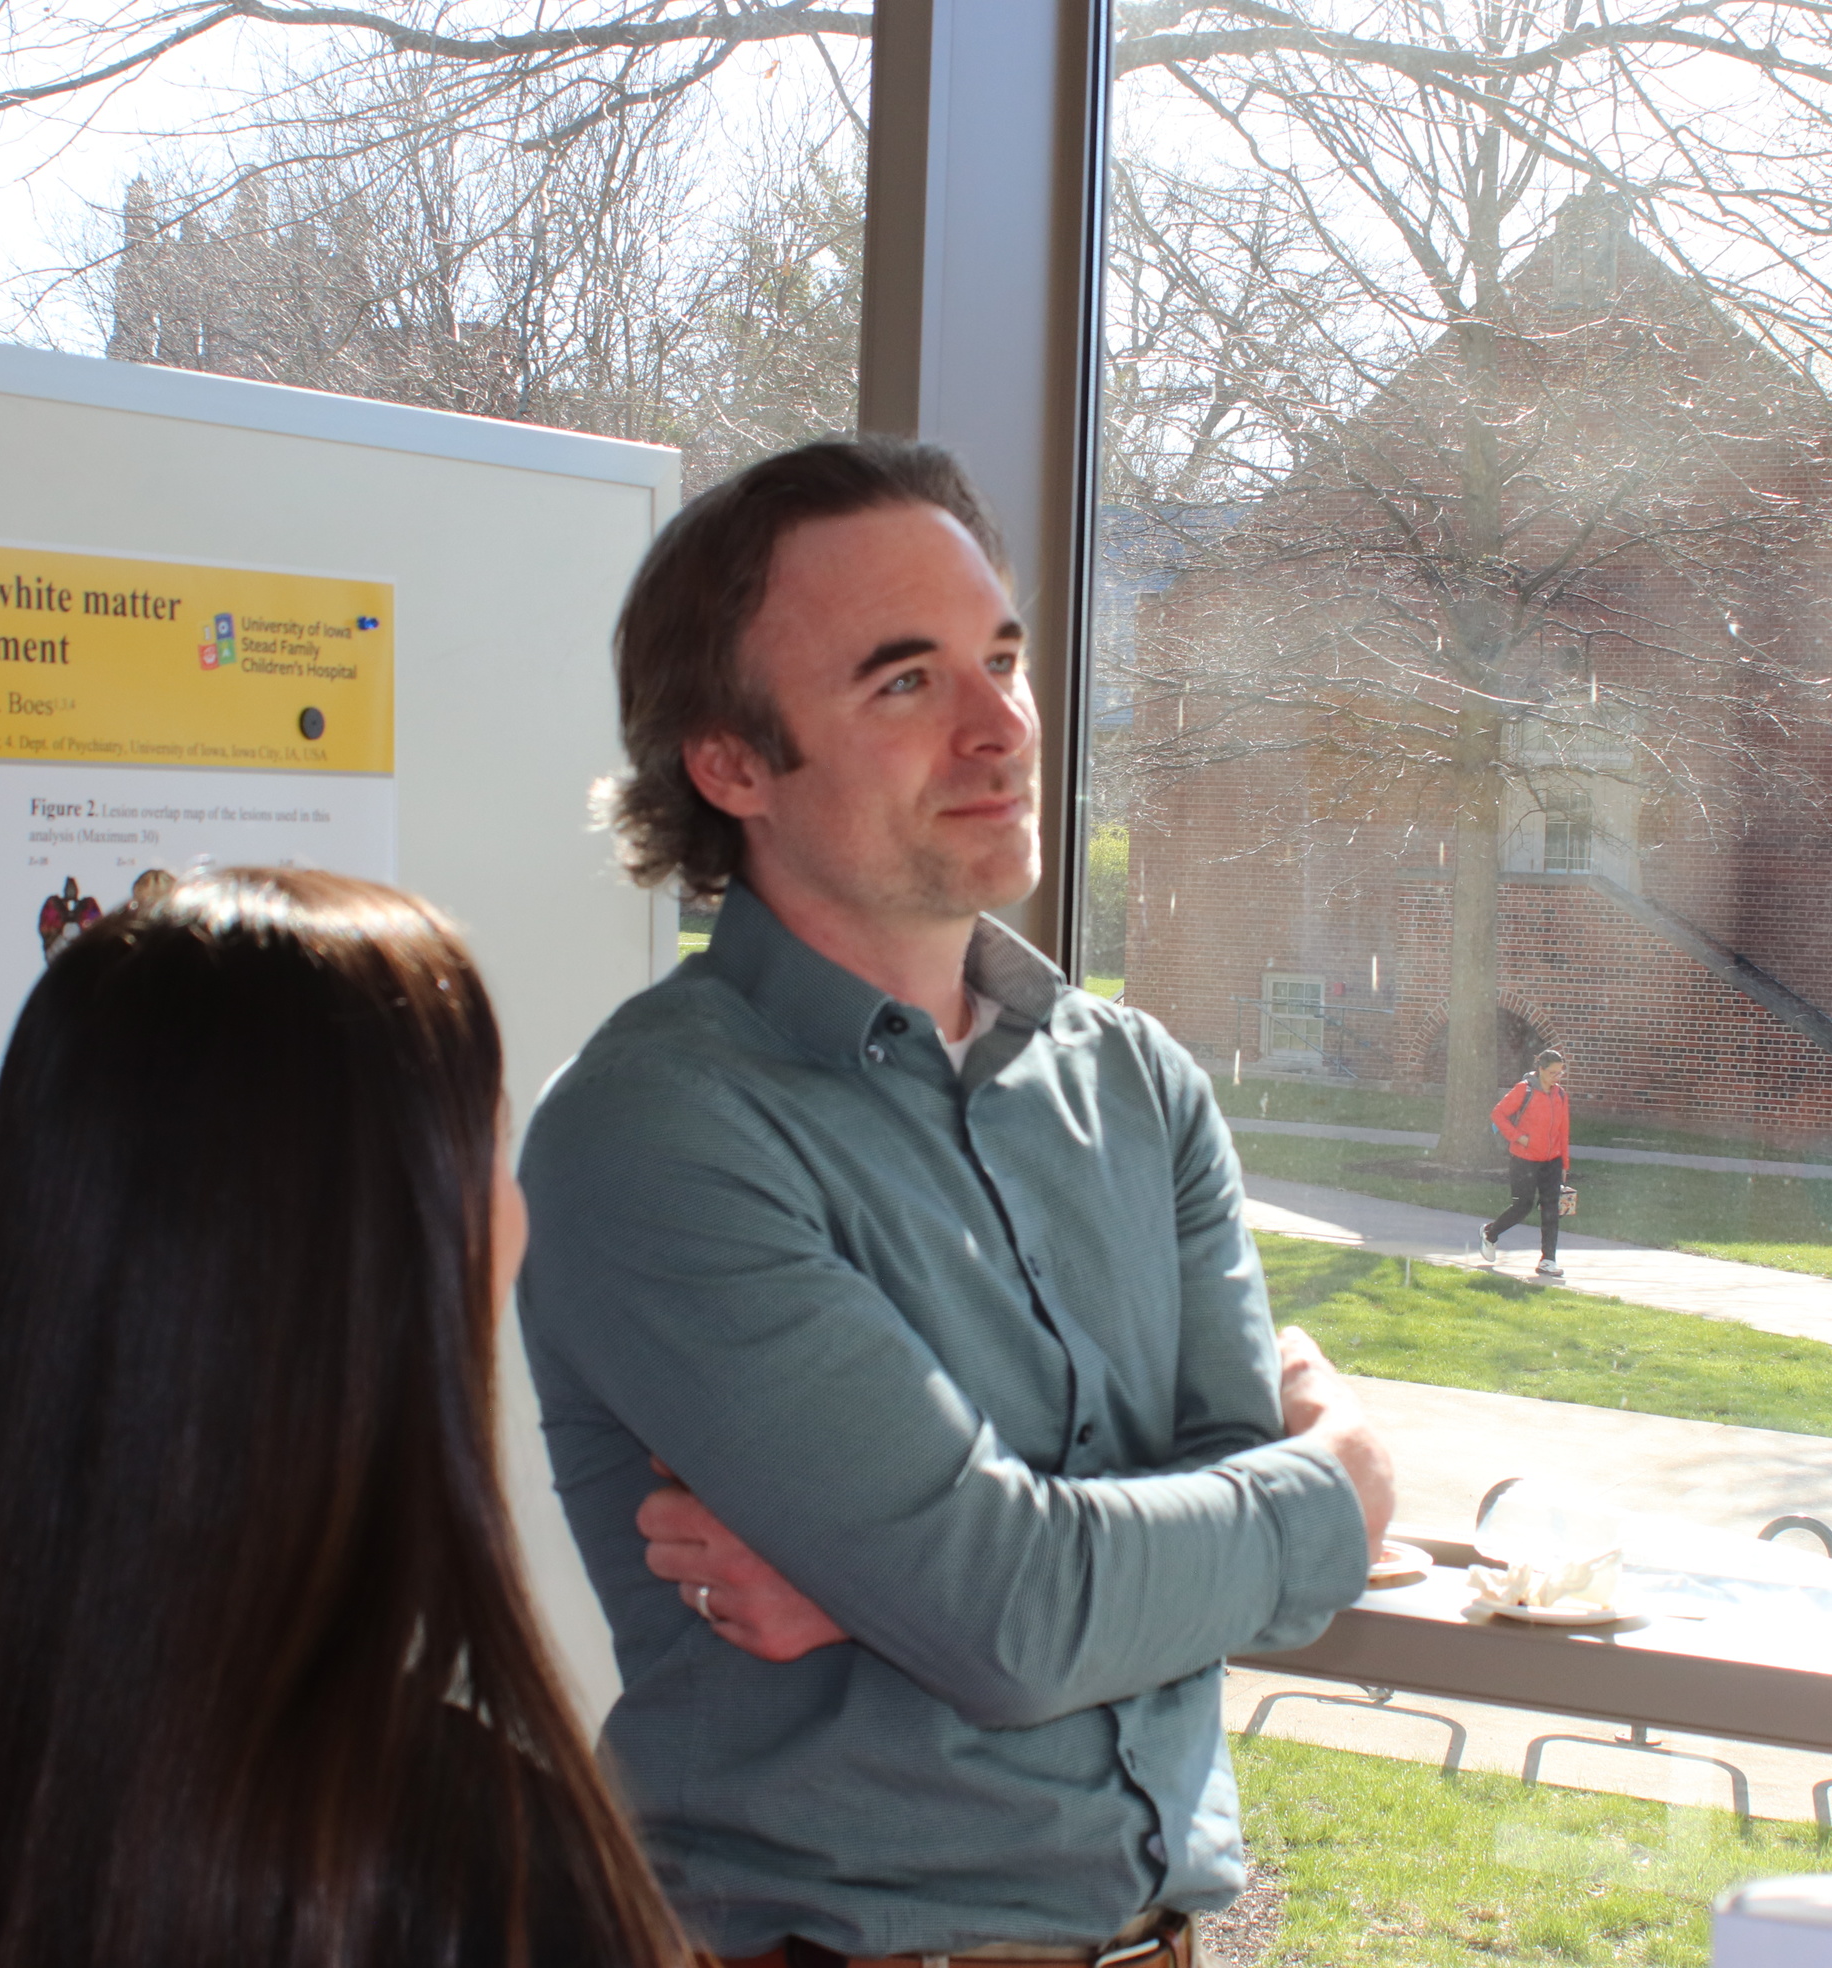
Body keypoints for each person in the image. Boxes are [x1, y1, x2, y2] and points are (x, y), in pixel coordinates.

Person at [518, 437, 1395, 1967]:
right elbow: (1016, 1615)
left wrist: (884, 1593)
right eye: (905, 682)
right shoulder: (656, 1134)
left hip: (1165, 1940)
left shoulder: (1138, 1084)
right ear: (731, 765)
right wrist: (1349, 1485)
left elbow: (1141, 1557)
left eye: (1002, 657)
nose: (1003, 727)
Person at [0, 869, 692, 1968]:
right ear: (376, 1249)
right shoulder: (461, 1870)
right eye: (483, 1146)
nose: (517, 1217)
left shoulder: (13, 1781)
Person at [1482, 1049, 1573, 1278]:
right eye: (1552, 1072)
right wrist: (1518, 1137)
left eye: (1560, 1072)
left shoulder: (1560, 1095)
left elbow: (1563, 1131)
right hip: (1524, 1159)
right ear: (1540, 1069)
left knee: (1551, 1209)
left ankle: (1548, 1260)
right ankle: (1490, 1233)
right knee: (1522, 1205)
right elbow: (1498, 1114)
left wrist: (1564, 1164)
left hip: (1551, 1161)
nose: (1556, 1077)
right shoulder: (1525, 1090)